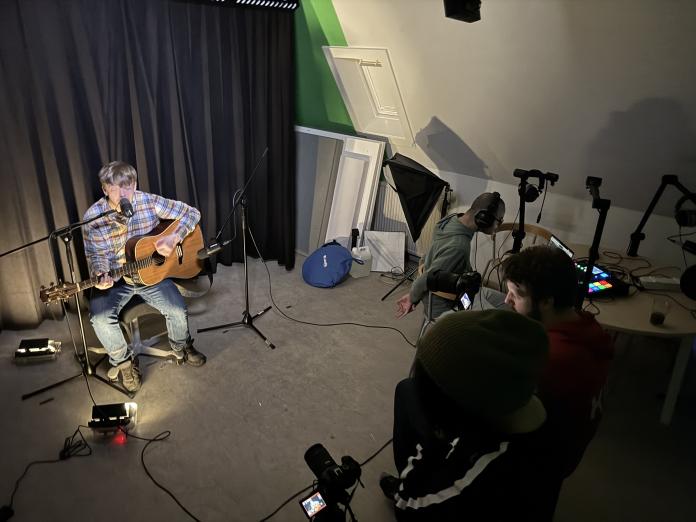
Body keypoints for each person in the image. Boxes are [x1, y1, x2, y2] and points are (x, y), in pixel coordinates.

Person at [380, 309, 552, 521]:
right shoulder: (515, 398)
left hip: (426, 497)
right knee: (407, 389)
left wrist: (436, 437)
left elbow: (408, 508)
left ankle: (405, 484)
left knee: (408, 394)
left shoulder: (482, 476)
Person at [501, 245, 614, 517]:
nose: (507, 300)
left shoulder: (552, 359)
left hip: (536, 463)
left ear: (547, 302)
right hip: (565, 454)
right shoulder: (588, 327)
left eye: (517, 294)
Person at [82, 161, 206, 393]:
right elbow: (97, 257)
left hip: (152, 274)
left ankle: (181, 346)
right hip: (118, 279)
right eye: (114, 188)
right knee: (100, 319)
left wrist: (175, 238)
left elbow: (192, 213)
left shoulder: (148, 201)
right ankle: (124, 364)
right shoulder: (93, 218)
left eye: (127, 187)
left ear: (135, 185)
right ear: (105, 189)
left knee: (178, 310)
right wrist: (101, 273)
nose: (122, 194)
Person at [395, 192, 506, 321]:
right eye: (499, 221)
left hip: (454, 289)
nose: (499, 226)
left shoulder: (451, 219)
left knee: (507, 302)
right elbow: (427, 279)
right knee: (496, 319)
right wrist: (412, 297)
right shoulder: (458, 247)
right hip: (447, 305)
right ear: (484, 218)